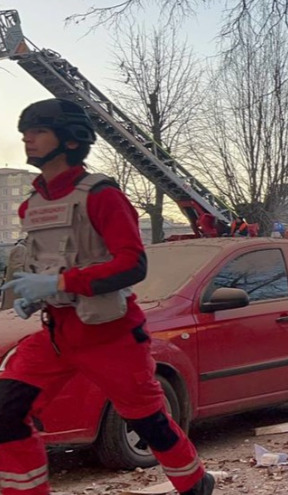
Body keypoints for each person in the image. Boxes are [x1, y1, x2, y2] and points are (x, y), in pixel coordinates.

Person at [0, 99, 214, 495]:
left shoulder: (101, 195)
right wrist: (34, 292)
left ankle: (196, 484)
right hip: (58, 335)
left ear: (69, 140)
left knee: (149, 423)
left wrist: (59, 285)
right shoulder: (33, 205)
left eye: (39, 130)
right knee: (5, 413)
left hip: (111, 337)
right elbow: (47, 261)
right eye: (25, 131)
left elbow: (133, 265)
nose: (27, 138)